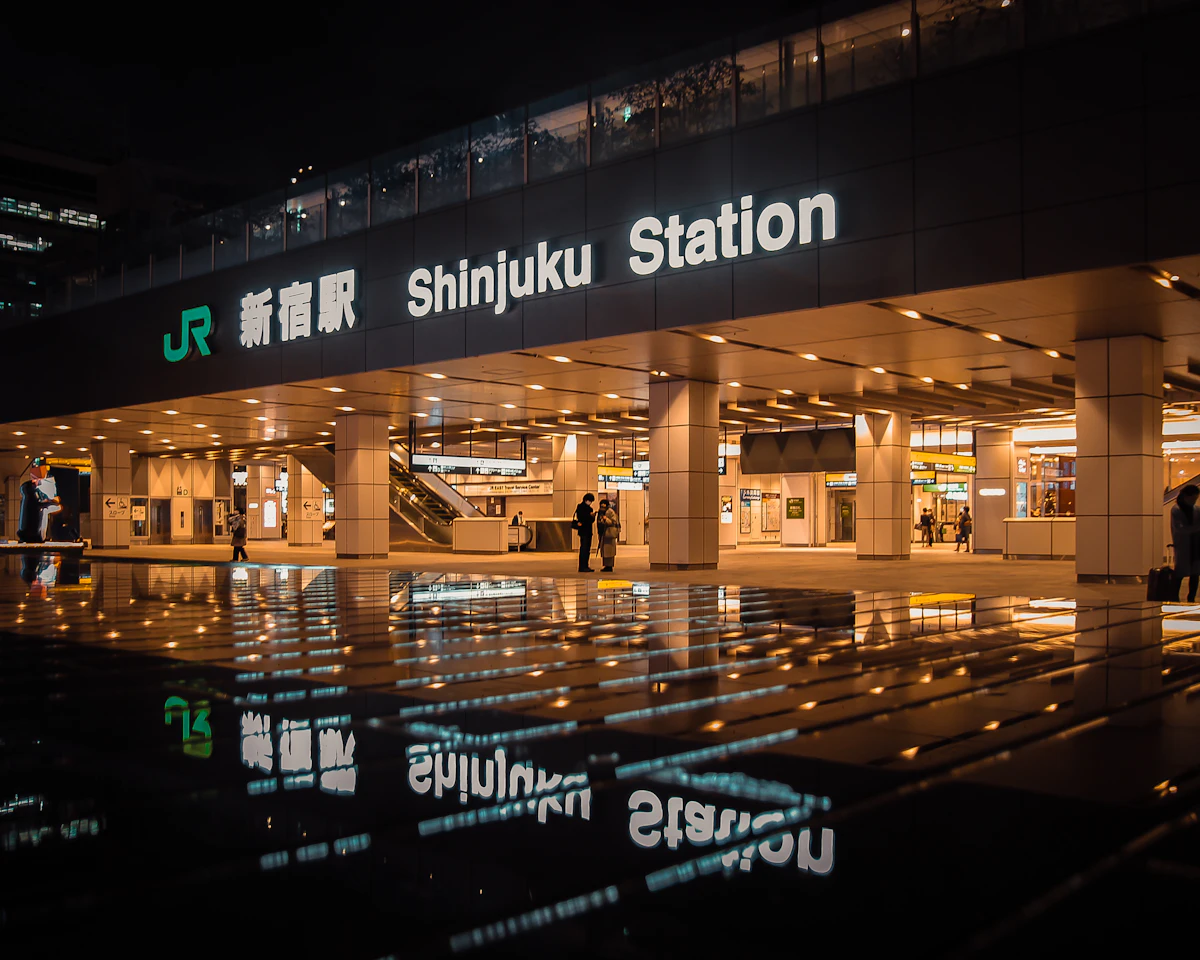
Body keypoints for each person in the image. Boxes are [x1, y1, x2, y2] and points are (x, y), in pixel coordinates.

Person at [1170, 484, 1200, 601]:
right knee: (1180, 572)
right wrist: (1196, 528)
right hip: (1183, 544)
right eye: (1192, 498)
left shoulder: (1196, 509)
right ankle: (1174, 597)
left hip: (1196, 545)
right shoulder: (1176, 509)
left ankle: (1191, 598)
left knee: (1195, 573)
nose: (1194, 501)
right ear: (1186, 496)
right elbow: (1180, 529)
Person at [596, 499, 621, 573]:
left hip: (609, 534)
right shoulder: (601, 511)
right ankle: (606, 565)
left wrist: (606, 519)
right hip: (603, 534)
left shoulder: (610, 512)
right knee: (605, 551)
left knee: (609, 551)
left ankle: (609, 566)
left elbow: (613, 522)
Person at [573, 493, 596, 573]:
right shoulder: (586, 509)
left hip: (582, 531)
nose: (590, 503)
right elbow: (587, 520)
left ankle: (583, 566)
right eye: (590, 501)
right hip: (586, 531)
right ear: (586, 500)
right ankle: (584, 566)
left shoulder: (579, 507)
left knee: (584, 548)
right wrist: (592, 516)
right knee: (585, 549)